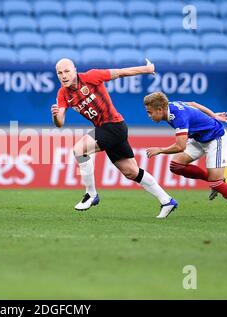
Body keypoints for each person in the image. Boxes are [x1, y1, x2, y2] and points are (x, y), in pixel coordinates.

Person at [51, 58, 178, 219]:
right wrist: (55, 116)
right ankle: (167, 200)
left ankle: (91, 194)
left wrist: (146, 69)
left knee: (79, 150)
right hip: (107, 130)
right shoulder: (62, 93)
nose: (64, 76)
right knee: (131, 172)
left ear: (75, 70)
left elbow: (119, 72)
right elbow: (60, 122)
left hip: (113, 126)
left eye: (67, 71)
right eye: (59, 73)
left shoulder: (91, 77)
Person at [143, 91, 227, 221]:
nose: (149, 115)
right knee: (176, 166)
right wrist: (213, 115)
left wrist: (160, 150)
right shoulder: (171, 105)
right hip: (198, 138)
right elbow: (193, 104)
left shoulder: (178, 117)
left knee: (216, 183)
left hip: (215, 138)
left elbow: (180, 146)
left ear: (160, 109)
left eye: (150, 112)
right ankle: (216, 182)